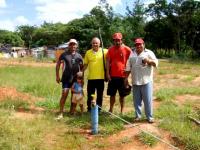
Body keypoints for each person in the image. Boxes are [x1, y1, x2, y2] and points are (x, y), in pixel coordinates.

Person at [125, 38, 158, 123]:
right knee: (136, 101)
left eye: (140, 44)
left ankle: (149, 117)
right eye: (137, 44)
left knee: (148, 100)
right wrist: (126, 78)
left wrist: (148, 60)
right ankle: (138, 116)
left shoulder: (149, 53)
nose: (138, 46)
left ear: (143, 44)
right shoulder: (132, 54)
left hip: (146, 81)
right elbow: (128, 67)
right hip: (135, 80)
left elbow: (155, 64)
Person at [56, 39, 83, 120]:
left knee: (74, 96)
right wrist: (57, 76)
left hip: (76, 80)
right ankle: (61, 112)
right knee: (64, 94)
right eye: (71, 44)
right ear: (69, 45)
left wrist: (82, 79)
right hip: (66, 79)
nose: (73, 46)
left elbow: (82, 69)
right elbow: (58, 65)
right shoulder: (64, 55)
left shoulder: (79, 56)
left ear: (76, 46)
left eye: (74, 44)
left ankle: (72, 111)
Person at [106, 32, 131, 114]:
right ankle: (111, 109)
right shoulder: (110, 49)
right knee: (112, 95)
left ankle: (122, 111)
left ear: (121, 40)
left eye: (118, 40)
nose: (117, 42)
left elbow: (131, 61)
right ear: (113, 40)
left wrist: (128, 75)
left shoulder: (127, 49)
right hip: (112, 76)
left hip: (123, 76)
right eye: (115, 40)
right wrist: (107, 74)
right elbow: (108, 61)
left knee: (122, 95)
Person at [83, 37, 108, 112]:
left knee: (100, 95)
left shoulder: (105, 51)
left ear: (99, 44)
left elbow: (111, 59)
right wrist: (81, 72)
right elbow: (85, 65)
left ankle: (99, 109)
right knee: (90, 94)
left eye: (96, 43)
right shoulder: (88, 52)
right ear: (91, 44)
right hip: (91, 78)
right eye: (93, 43)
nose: (95, 44)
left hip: (101, 78)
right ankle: (90, 109)